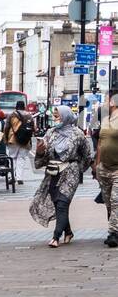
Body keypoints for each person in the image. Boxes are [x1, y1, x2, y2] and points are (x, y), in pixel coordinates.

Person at [30, 105, 94, 247]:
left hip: (70, 173)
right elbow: (43, 155)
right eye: (54, 115)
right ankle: (68, 232)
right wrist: (40, 151)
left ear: (65, 116)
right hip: (53, 172)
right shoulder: (51, 133)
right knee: (58, 203)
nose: (55, 118)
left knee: (63, 202)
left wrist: (79, 169)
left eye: (57, 116)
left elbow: (87, 155)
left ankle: (55, 237)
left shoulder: (77, 134)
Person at [94, 93, 118, 248]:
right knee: (109, 202)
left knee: (116, 201)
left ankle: (113, 233)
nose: (105, 103)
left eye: (107, 100)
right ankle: (114, 228)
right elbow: (100, 144)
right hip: (104, 168)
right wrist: (97, 166)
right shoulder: (105, 120)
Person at [5, 100, 35, 185]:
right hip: (25, 141)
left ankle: (12, 177)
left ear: (16, 106)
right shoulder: (29, 116)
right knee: (21, 159)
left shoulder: (12, 115)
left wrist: (6, 139)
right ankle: (19, 178)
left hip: (13, 139)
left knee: (13, 158)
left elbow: (6, 128)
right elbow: (34, 129)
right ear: (24, 106)